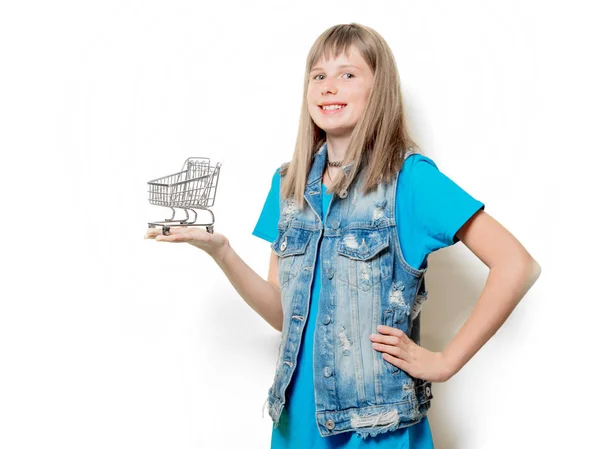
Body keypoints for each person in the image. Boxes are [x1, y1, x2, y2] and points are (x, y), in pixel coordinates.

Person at [145, 23, 541, 448]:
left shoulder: (409, 181)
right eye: (318, 76)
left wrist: (445, 361)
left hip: (376, 432)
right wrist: (219, 250)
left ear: (379, 88)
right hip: (294, 427)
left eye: (347, 74)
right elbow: (284, 314)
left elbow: (517, 265)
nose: (328, 87)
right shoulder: (289, 185)